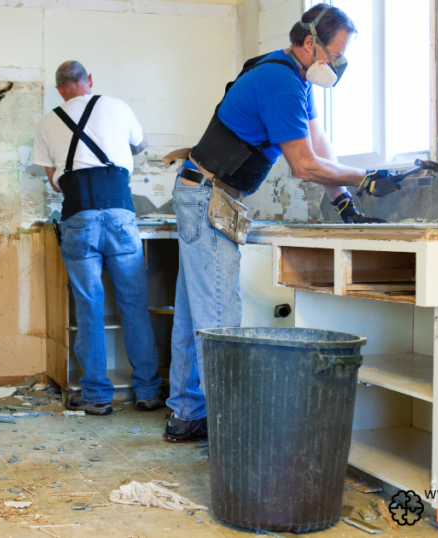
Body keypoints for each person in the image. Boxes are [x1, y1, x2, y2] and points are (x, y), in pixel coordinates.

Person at [162, 3, 414, 441]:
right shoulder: (279, 81)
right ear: (310, 42)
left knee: (194, 314)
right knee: (220, 318)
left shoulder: (295, 80)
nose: (338, 65)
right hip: (208, 196)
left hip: (203, 193)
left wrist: (347, 203)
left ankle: (186, 415)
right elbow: (303, 166)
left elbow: (320, 150)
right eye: (335, 54)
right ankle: (231, 434)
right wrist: (366, 177)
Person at [33, 61, 164, 416]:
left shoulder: (47, 122)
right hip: (121, 214)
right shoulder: (117, 106)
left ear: (60, 89)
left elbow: (54, 181)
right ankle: (149, 392)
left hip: (79, 217)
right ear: (89, 81)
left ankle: (95, 396)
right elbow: (142, 144)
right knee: (134, 306)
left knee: (89, 309)